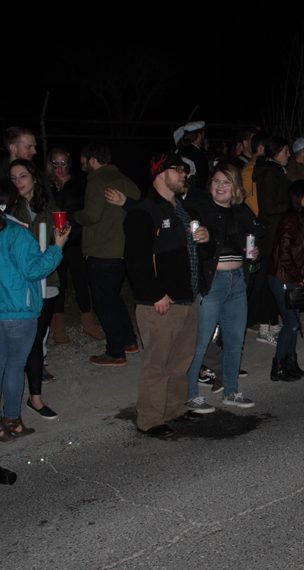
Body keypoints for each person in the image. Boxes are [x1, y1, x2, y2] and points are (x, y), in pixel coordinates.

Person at [123, 153, 212, 438]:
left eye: (185, 170)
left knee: (180, 360)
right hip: (161, 302)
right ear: (160, 173)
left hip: (188, 297)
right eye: (179, 169)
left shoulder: (185, 210)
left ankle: (174, 407)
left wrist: (205, 240)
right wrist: (155, 294)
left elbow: (200, 255)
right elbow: (135, 260)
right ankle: (149, 419)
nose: (185, 174)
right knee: (157, 363)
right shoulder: (143, 211)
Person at [185, 164, 264, 414]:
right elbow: (191, 247)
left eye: (226, 182)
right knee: (200, 342)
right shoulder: (199, 211)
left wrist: (255, 252)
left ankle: (231, 391)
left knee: (235, 341)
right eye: (216, 181)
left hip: (237, 281)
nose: (220, 186)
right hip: (212, 283)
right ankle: (191, 395)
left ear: (235, 187)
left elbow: (257, 235)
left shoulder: (241, 211)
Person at [0, 179, 69, 440]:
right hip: (18, 309)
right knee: (14, 367)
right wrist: (57, 247)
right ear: (13, 203)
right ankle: (12, 422)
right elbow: (33, 270)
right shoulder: (16, 232)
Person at [72, 143, 141, 366]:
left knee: (103, 302)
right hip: (122, 252)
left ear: (92, 160)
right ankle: (129, 341)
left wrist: (75, 215)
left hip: (102, 251)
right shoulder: (129, 182)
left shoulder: (97, 181)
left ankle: (115, 351)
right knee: (113, 297)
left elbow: (91, 216)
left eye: (83, 163)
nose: (82, 168)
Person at [45, 147, 104, 343]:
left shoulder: (79, 183)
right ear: (50, 164)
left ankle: (89, 324)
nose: (60, 167)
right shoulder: (47, 185)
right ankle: (58, 328)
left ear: (69, 164)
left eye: (63, 163)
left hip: (76, 240)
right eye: (55, 163)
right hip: (56, 241)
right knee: (58, 283)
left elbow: (87, 209)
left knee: (81, 282)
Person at [268, 179, 304, 381]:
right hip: (283, 277)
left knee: (293, 323)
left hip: (289, 276)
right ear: (299, 197)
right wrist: (298, 277)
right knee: (291, 323)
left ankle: (291, 364)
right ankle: (278, 367)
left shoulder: (300, 218)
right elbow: (284, 253)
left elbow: (302, 253)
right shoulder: (291, 219)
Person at [251, 136, 291, 345]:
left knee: (275, 280)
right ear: (275, 152)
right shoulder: (269, 172)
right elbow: (268, 207)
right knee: (269, 283)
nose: (289, 155)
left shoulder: (277, 171)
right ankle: (264, 328)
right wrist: (292, 202)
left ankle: (273, 324)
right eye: (285, 151)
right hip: (271, 235)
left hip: (277, 233)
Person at [175, 121, 209, 190]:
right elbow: (202, 181)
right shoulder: (198, 155)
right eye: (203, 135)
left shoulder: (179, 151)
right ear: (199, 135)